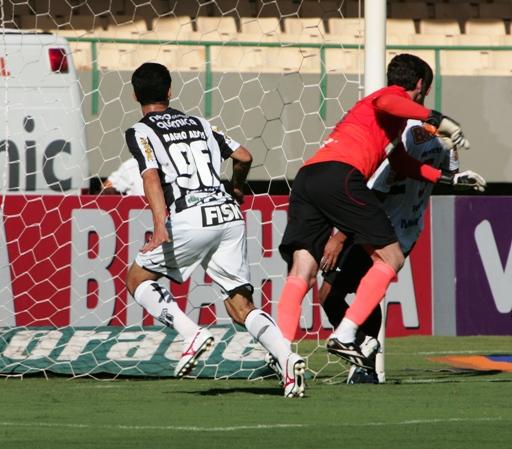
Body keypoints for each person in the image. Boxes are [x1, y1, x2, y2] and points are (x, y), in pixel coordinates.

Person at [275, 54, 473, 368]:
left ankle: (280, 352)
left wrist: (447, 177)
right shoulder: (387, 98)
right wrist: (438, 118)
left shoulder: (386, 121)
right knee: (390, 258)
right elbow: (388, 103)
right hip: (340, 176)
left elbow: (401, 163)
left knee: (302, 269)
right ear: (420, 85)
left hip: (308, 177)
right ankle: (347, 335)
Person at [124, 62, 306, 398]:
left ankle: (190, 333)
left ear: (135, 95)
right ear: (169, 91)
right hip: (227, 215)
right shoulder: (199, 123)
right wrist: (236, 189)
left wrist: (159, 226)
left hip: (189, 216)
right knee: (239, 305)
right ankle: (287, 358)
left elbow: (150, 176)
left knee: (137, 278)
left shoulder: (140, 131)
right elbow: (244, 156)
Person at [318, 64, 486, 383]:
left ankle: (364, 353)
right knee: (365, 294)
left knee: (330, 294)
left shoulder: (398, 128)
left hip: (374, 225)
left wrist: (339, 235)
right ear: (422, 85)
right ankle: (365, 358)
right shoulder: (446, 133)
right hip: (407, 231)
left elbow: (374, 187)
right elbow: (447, 173)